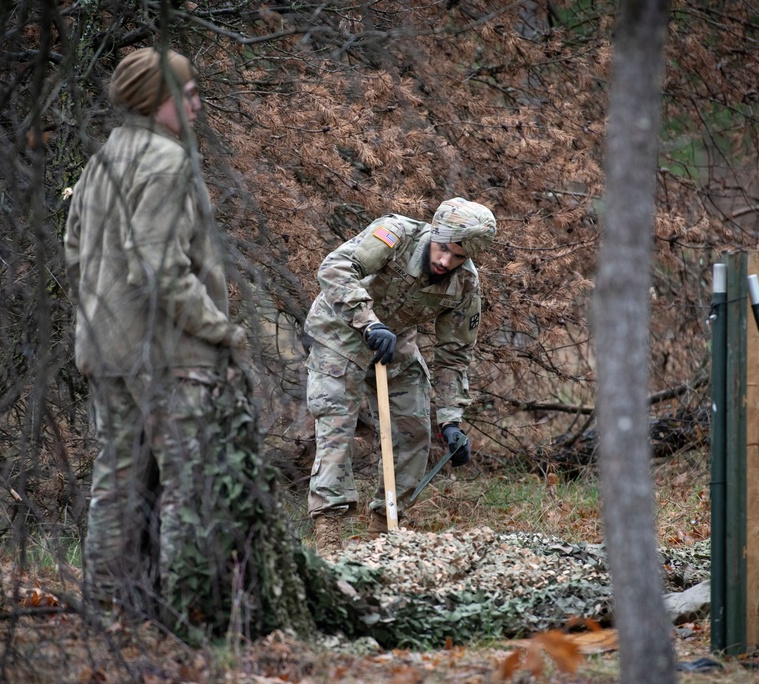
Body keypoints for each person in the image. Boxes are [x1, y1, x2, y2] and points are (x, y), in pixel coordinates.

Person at [65, 47, 315, 639]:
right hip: (169, 357)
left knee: (117, 483)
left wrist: (104, 319)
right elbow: (159, 270)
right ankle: (187, 615)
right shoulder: (167, 162)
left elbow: (74, 252)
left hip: (105, 350)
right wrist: (220, 330)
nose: (197, 103)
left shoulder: (102, 160)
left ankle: (111, 613)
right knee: (187, 486)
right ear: (160, 99)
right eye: (190, 92)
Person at [303, 197, 496, 553]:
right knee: (336, 423)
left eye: (458, 257)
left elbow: (454, 354)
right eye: (443, 250)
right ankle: (329, 536)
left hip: (394, 340)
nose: (445, 262)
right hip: (340, 330)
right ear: (434, 234)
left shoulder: (465, 284)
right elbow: (334, 268)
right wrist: (368, 322)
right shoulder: (395, 234)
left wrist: (451, 419)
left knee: (413, 429)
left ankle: (384, 532)